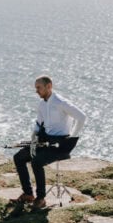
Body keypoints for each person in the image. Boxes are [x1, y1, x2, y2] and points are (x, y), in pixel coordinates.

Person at [12, 75, 87, 209]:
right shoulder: (42, 104)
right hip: (44, 141)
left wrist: (72, 138)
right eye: (36, 88)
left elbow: (81, 117)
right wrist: (33, 138)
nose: (36, 91)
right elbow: (38, 124)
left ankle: (41, 198)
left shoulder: (61, 103)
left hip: (59, 145)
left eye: (39, 88)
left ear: (49, 86)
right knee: (18, 157)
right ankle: (28, 194)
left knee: (36, 162)